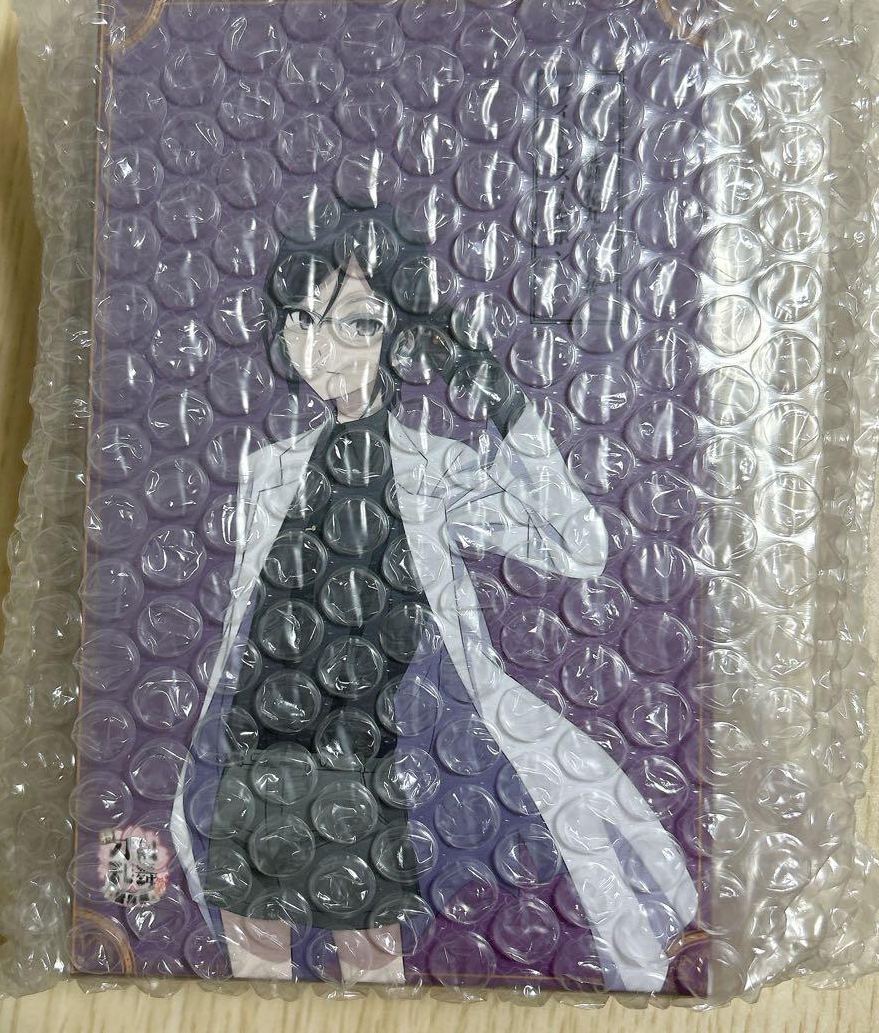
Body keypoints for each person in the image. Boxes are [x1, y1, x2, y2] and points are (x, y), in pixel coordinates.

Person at [171, 203, 697, 990]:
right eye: (303, 319)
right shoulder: (271, 468)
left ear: (395, 334)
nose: (322, 345)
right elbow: (243, 623)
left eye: (356, 323)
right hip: (259, 744)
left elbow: (579, 547)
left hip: (370, 750)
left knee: (371, 959)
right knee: (255, 956)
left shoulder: (435, 468)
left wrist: (506, 406)